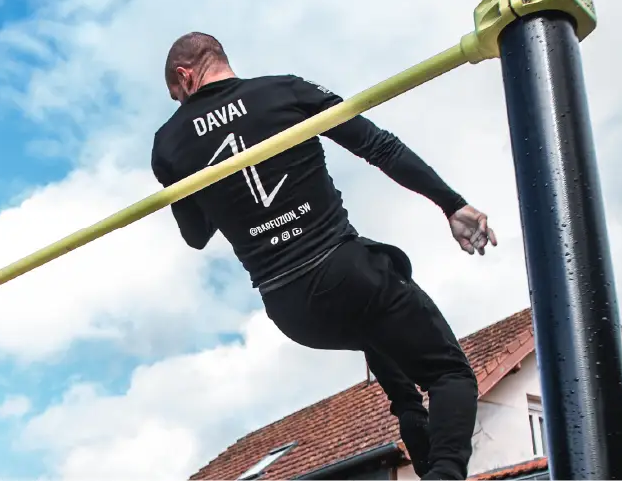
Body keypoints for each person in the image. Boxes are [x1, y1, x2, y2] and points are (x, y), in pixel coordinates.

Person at [151, 32, 497, 480]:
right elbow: (378, 146)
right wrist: (451, 204)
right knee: (449, 375)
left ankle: (422, 450)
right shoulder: (284, 91)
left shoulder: (168, 143)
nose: (181, 104)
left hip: (291, 309)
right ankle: (447, 474)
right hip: (345, 271)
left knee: (394, 370)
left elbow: (196, 235)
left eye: (177, 96)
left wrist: (198, 178)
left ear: (184, 76)